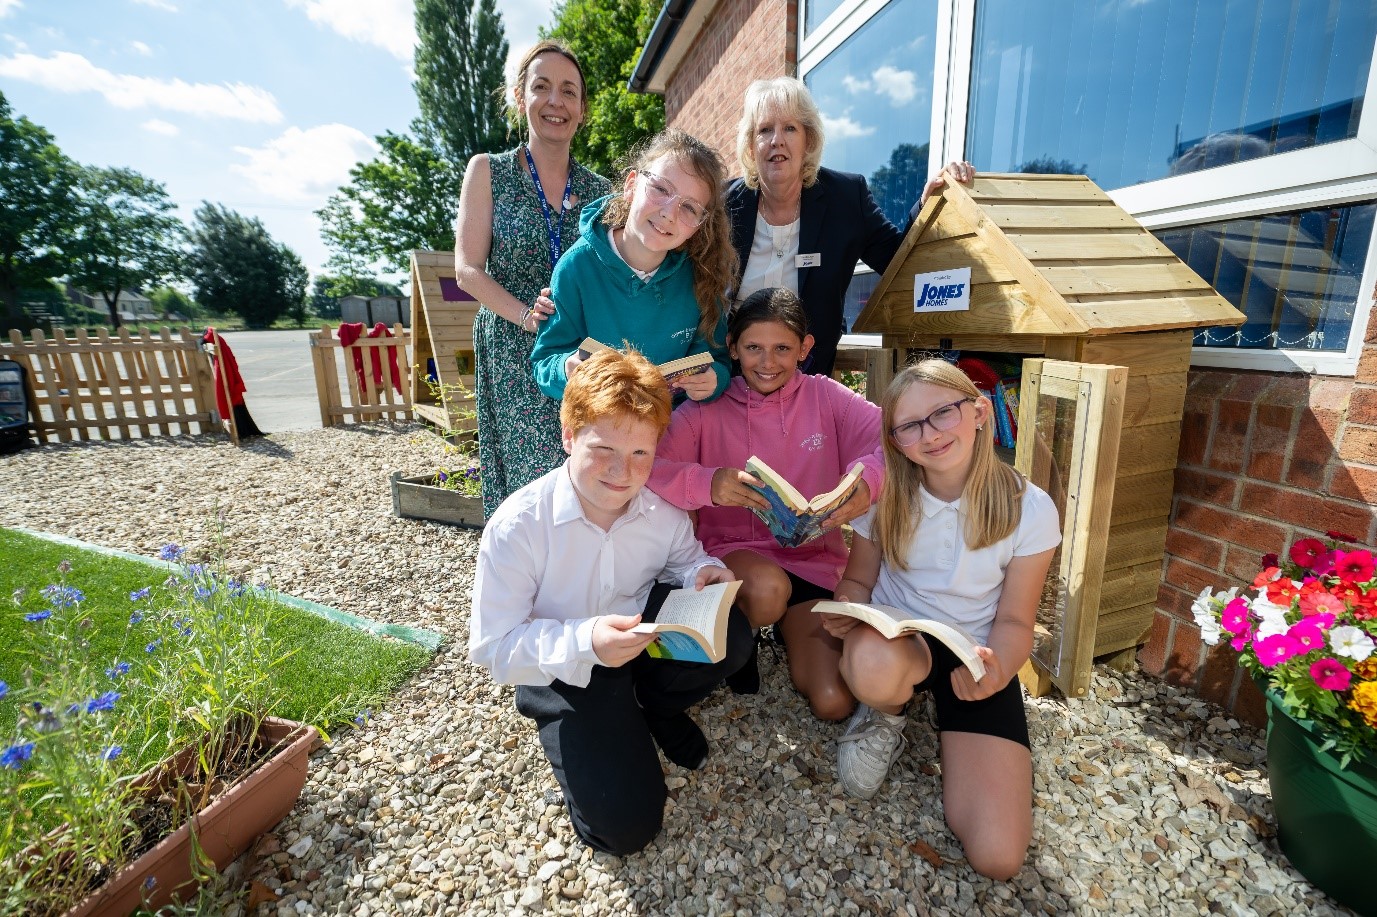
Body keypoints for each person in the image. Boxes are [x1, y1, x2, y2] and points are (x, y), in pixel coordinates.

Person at [468, 348, 753, 857]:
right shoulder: (517, 527)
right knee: (625, 830)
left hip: (638, 642)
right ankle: (589, 721)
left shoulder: (659, 512)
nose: (623, 472)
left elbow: (686, 559)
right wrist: (587, 640)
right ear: (568, 437)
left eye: (641, 454)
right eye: (603, 449)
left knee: (732, 635)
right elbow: (493, 648)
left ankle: (654, 707)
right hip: (564, 668)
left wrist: (701, 572)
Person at [821, 359, 1059, 880]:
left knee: (997, 857)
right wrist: (846, 609)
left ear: (977, 412)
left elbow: (1017, 620)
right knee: (870, 660)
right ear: (896, 440)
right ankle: (885, 714)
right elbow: (859, 579)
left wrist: (999, 671)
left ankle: (956, 712)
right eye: (910, 425)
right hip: (901, 640)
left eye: (942, 413)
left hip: (976, 652)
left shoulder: (1030, 507)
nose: (929, 434)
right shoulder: (885, 501)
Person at [647, 287, 883, 714]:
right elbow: (649, 464)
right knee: (770, 588)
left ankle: (780, 636)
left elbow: (890, 438)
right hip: (737, 558)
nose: (768, 362)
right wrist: (707, 482)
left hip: (814, 562)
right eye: (754, 347)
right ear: (733, 348)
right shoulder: (705, 407)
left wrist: (870, 483)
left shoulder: (826, 396)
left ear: (805, 348)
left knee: (833, 703)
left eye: (782, 348)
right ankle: (742, 637)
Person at [455, 40, 611, 518]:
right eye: (541, 87)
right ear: (520, 97)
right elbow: (466, 270)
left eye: (569, 91)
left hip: (580, 351)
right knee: (531, 489)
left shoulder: (600, 191)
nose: (555, 101)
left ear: (582, 110)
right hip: (513, 345)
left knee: (587, 475)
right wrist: (525, 315)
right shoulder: (488, 171)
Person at [728, 76, 974, 378]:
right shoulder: (724, 205)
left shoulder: (845, 198)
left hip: (808, 381)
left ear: (809, 141)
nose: (777, 139)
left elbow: (898, 260)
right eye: (765, 129)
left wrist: (927, 203)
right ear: (751, 146)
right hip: (729, 381)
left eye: (790, 128)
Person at [531, 129, 737, 404]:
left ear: (700, 225)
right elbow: (545, 361)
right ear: (631, 186)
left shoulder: (702, 276)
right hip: (603, 434)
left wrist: (715, 379)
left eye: (689, 208)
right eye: (661, 189)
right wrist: (566, 368)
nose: (669, 213)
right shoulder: (576, 267)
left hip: (674, 433)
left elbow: (716, 358)